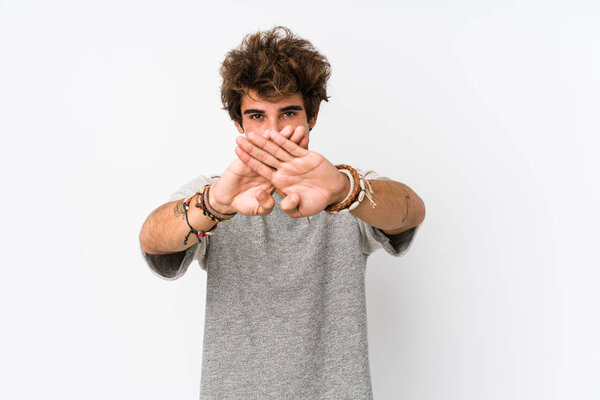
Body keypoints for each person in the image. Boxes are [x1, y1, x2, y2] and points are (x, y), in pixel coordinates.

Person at [139, 26, 425, 400]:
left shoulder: (341, 187)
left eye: (288, 112)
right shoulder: (215, 192)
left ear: (312, 115)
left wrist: (345, 190)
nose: (273, 132)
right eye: (256, 116)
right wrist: (215, 205)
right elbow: (152, 239)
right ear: (239, 124)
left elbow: (412, 211)